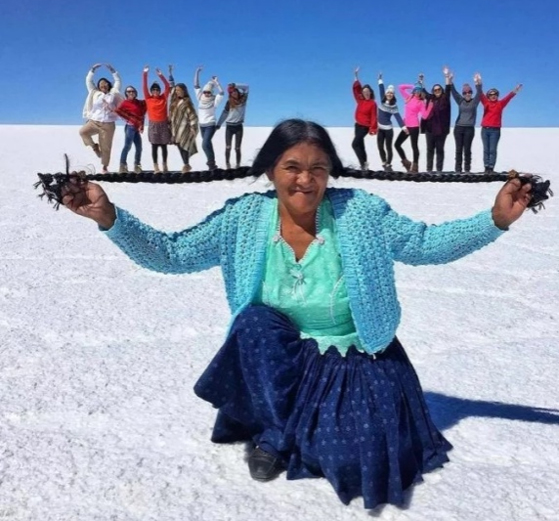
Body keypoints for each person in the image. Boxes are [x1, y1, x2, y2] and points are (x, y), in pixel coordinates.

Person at [60, 119, 532, 509]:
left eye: (317, 169)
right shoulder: (243, 218)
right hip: (279, 358)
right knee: (255, 324)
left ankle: (300, 425)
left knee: (354, 456)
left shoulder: (361, 214)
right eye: (292, 167)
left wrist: (494, 220)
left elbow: (425, 244)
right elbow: (173, 253)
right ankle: (274, 426)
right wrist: (109, 218)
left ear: (330, 173)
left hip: (356, 354)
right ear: (270, 170)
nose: (304, 180)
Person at [79, 63, 122, 174]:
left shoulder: (113, 93)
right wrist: (93, 70)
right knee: (83, 132)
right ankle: (94, 147)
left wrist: (113, 70)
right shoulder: (94, 92)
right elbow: (88, 80)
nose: (103, 85)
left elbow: (117, 81)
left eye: (105, 83)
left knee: (106, 147)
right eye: (101, 83)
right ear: (98, 86)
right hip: (94, 122)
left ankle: (104, 167)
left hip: (108, 124)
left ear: (108, 85)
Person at [479, 75, 523, 173]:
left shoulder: (500, 104)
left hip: (495, 130)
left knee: (492, 150)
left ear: (497, 95)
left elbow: (509, 97)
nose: (493, 96)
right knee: (486, 149)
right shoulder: (486, 103)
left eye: (495, 94)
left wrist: (515, 90)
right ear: (488, 96)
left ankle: (491, 167)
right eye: (491, 94)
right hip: (485, 130)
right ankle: (486, 167)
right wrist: (478, 82)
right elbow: (480, 93)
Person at [396, 75, 433, 173]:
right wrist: (413, 86)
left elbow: (424, 116)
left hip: (415, 127)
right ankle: (406, 162)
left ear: (421, 92)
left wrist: (429, 106)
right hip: (406, 126)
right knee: (397, 144)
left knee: (414, 146)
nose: (417, 92)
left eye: (419, 90)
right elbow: (400, 87)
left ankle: (415, 167)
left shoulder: (421, 102)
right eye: (416, 90)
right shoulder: (409, 97)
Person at [449, 70, 482, 173]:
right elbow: (453, 92)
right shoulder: (460, 101)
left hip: (469, 129)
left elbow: (480, 93)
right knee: (459, 150)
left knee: (467, 150)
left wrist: (478, 83)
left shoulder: (474, 102)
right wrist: (450, 80)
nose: (467, 94)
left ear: (471, 93)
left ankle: (467, 169)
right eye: (465, 92)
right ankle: (458, 169)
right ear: (463, 94)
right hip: (459, 128)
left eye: (469, 92)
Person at [421, 68, 452, 172]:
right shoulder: (430, 99)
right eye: (435, 90)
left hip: (441, 130)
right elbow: (423, 91)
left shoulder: (445, 99)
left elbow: (448, 89)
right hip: (429, 129)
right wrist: (421, 81)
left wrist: (447, 77)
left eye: (439, 89)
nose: (437, 91)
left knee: (439, 150)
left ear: (441, 90)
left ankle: (439, 170)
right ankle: (429, 169)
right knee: (430, 150)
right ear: (433, 92)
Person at [142, 66, 171, 173]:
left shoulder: (163, 97)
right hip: (153, 125)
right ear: (151, 91)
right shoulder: (148, 98)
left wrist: (160, 75)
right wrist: (145, 74)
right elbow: (144, 86)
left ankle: (165, 165)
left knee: (164, 146)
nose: (155, 91)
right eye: (153, 89)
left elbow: (167, 86)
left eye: (157, 89)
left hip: (163, 124)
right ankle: (156, 166)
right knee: (154, 146)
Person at [376, 73, 406, 171]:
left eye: (391, 93)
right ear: (386, 94)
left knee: (388, 147)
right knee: (380, 147)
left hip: (389, 130)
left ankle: (388, 164)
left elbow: (398, 118)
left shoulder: (394, 106)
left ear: (393, 95)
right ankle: (384, 163)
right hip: (380, 128)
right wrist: (380, 79)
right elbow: (381, 88)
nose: (389, 94)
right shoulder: (382, 100)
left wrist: (403, 127)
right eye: (388, 93)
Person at [216, 82, 250, 169]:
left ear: (238, 92)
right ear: (230, 94)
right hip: (229, 127)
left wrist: (235, 85)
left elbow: (246, 87)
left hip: (239, 127)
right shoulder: (229, 102)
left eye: (236, 91)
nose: (234, 93)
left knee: (237, 148)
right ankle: (227, 164)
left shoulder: (243, 100)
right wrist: (219, 124)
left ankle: (238, 165)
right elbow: (224, 114)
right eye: (232, 92)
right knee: (228, 147)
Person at [114, 86, 147, 173]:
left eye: (132, 91)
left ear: (135, 93)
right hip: (130, 128)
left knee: (139, 148)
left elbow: (143, 112)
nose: (131, 93)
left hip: (137, 128)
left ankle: (137, 165)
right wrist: (129, 119)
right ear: (126, 94)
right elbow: (119, 111)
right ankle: (122, 166)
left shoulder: (139, 103)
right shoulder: (125, 103)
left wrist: (141, 125)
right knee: (127, 146)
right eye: (128, 92)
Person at [169, 82, 199, 173]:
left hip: (185, 128)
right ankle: (186, 164)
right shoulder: (174, 102)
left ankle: (186, 164)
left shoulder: (187, 102)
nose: (177, 92)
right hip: (175, 129)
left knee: (184, 145)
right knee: (179, 146)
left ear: (184, 91)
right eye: (177, 90)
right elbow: (172, 89)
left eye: (179, 90)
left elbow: (193, 115)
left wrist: (193, 127)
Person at [351, 67, 377, 171]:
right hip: (357, 125)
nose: (366, 92)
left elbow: (374, 116)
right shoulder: (360, 100)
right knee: (360, 145)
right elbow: (356, 89)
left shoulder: (372, 103)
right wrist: (356, 76)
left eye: (368, 91)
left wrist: (373, 128)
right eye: (364, 91)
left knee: (355, 144)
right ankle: (364, 165)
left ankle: (363, 164)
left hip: (365, 127)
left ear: (370, 93)